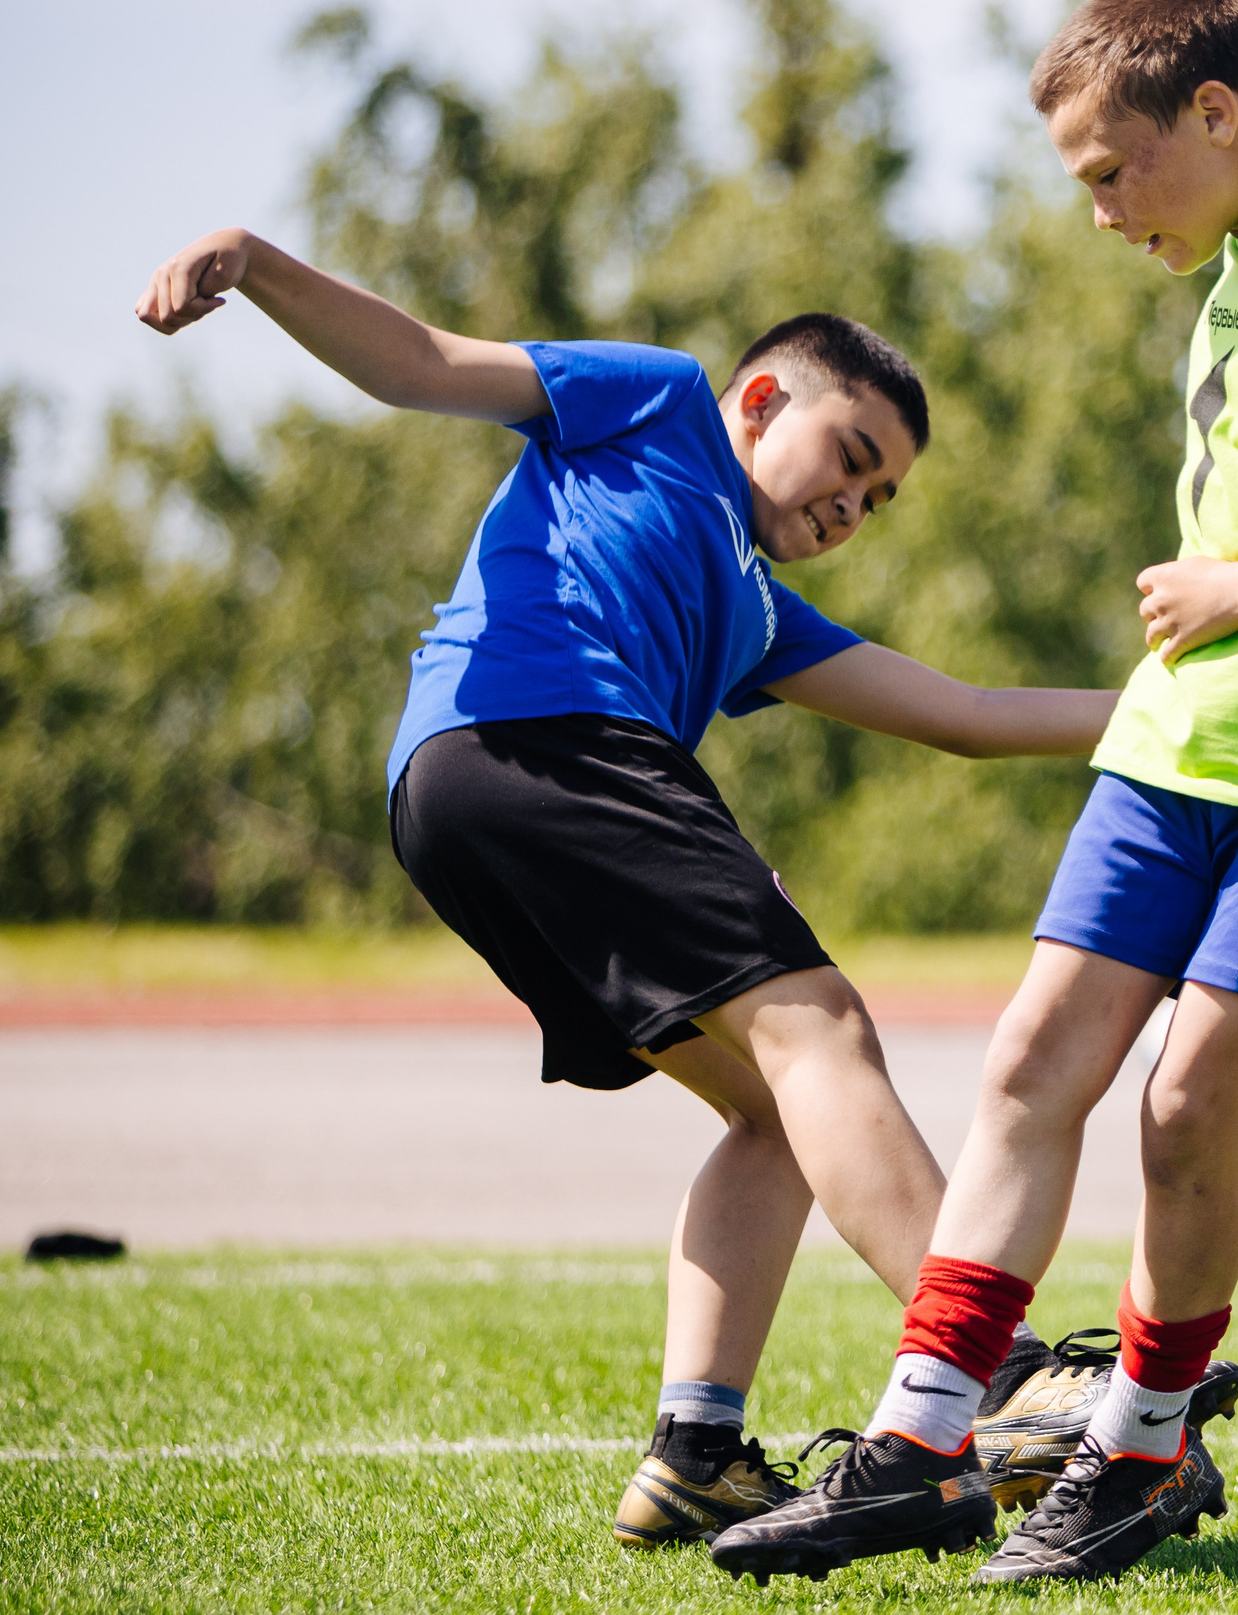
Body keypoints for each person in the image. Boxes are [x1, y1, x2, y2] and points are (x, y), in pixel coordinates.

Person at [708, 0, 1238, 1587]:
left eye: (1110, 170)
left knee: (1183, 1114)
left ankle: (1142, 1456)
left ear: (1217, 114)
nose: (1099, 211)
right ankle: (914, 1448)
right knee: (1029, 1069)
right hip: (1178, 748)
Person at [133, 228, 1121, 1547]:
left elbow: (973, 710)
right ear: (762, 400)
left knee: (778, 1107)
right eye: (852, 459)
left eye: (880, 501)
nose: (855, 506)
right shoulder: (657, 396)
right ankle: (995, 1372)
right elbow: (422, 364)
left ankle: (697, 1451)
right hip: (537, 734)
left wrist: (1198, 710)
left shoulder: (759, 612)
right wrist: (257, 265)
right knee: (821, 1029)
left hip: (462, 795)